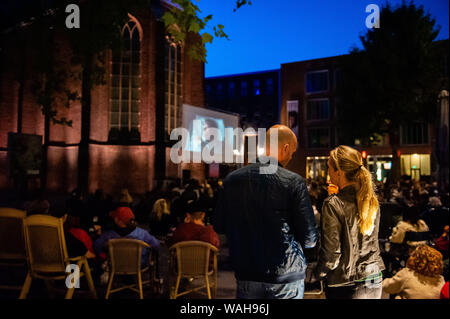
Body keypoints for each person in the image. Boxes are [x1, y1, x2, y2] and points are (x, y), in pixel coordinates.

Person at [213, 124, 318, 299]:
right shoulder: (294, 182)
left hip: (247, 272)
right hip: (285, 275)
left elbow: (219, 225)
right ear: (285, 148)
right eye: (292, 152)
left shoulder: (233, 179)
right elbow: (310, 239)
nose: (291, 156)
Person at [314, 145, 385, 299]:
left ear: (339, 171)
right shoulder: (371, 201)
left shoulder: (333, 204)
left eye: (329, 168)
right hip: (373, 277)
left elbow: (332, 253)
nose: (328, 173)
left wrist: (316, 274)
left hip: (345, 282)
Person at [94, 207, 160, 267]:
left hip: (115, 265)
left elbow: (96, 246)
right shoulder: (142, 233)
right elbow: (156, 245)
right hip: (138, 265)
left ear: (117, 220)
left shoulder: (108, 235)